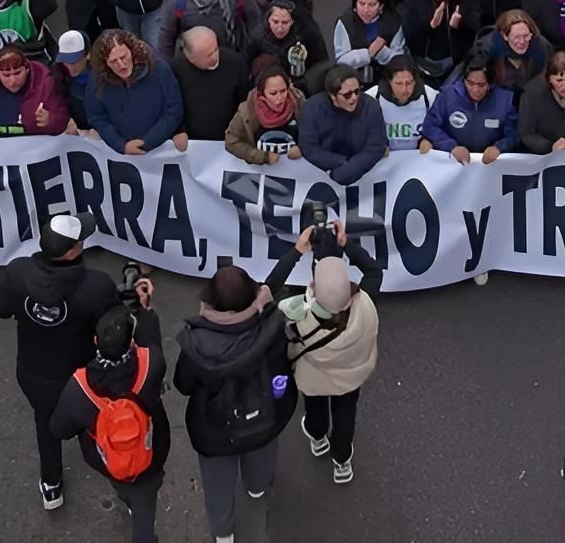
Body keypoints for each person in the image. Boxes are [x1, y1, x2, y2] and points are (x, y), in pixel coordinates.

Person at [0, 210, 122, 512]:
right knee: (96, 428)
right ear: (73, 250)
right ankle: (125, 484)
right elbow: (113, 333)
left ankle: (51, 485)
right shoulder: (97, 286)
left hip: (33, 375)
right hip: (82, 379)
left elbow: (0, 308)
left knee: (46, 425)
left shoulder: (17, 273)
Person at [173, 259, 297, 543]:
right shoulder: (273, 325)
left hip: (215, 430)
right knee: (262, 456)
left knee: (218, 484)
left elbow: (183, 385)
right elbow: (283, 362)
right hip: (264, 417)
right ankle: (257, 487)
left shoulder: (196, 343)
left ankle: (223, 533)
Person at [270, 219, 382, 485]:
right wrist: (347, 244)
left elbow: (268, 292)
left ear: (313, 284)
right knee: (346, 414)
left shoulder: (297, 315)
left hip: (314, 377)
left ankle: (317, 436)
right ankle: (342, 459)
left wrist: (296, 251)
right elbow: (374, 270)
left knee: (316, 406)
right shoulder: (365, 304)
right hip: (351, 376)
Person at [49, 300, 169, 542]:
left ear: (96, 342)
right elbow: (152, 338)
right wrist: (145, 309)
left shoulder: (79, 388)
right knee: (144, 519)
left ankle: (125, 494)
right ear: (131, 342)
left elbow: (59, 429)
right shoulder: (152, 364)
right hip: (152, 455)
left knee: (121, 480)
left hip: (106, 461)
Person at [87, 29, 183, 155]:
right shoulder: (97, 80)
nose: (121, 65)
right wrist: (120, 144)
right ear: (105, 63)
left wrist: (148, 142)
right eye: (113, 61)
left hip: (159, 151)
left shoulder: (159, 69)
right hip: (121, 155)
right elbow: (97, 117)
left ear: (132, 51)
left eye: (123, 57)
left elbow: (173, 109)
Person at [421, 55, 517, 169]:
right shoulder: (447, 95)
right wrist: (451, 146)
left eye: (481, 85)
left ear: (490, 84)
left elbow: (514, 134)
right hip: (453, 165)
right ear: (464, 80)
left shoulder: (505, 100)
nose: (475, 90)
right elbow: (430, 126)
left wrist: (499, 148)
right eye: (470, 83)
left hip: (490, 166)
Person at [300, 66, 387, 183]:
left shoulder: (371, 107)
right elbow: (309, 148)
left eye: (357, 91)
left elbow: (376, 146)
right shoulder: (312, 109)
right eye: (347, 94)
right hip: (321, 175)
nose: (354, 98)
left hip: (363, 173)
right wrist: (341, 161)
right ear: (332, 95)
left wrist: (347, 170)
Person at [170, 25, 251, 142]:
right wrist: (180, 132)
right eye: (208, 55)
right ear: (191, 58)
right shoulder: (176, 68)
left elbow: (245, 102)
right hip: (193, 142)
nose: (215, 56)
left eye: (216, 49)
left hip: (229, 138)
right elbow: (173, 106)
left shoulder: (235, 62)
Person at [225, 65, 303, 162]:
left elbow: (316, 135)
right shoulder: (247, 111)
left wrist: (302, 148)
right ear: (261, 94)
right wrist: (262, 157)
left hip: (295, 168)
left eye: (283, 91)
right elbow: (231, 141)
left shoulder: (299, 104)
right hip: (262, 169)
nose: (280, 97)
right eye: (273, 93)